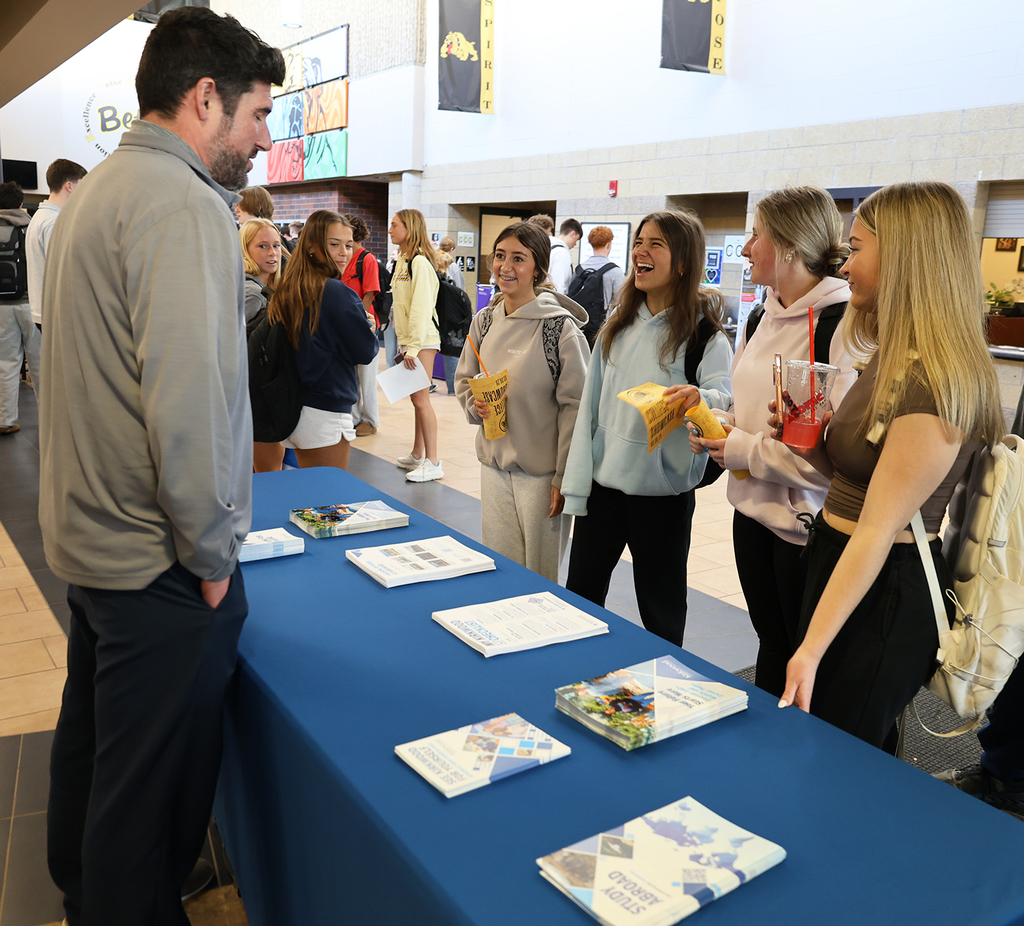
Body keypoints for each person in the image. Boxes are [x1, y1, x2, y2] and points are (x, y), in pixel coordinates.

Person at [38, 9, 284, 925]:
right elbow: (186, 404)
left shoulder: (98, 191)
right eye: (257, 115)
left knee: (95, 749)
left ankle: (80, 889)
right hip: (158, 562)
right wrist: (213, 559)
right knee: (148, 804)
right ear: (205, 97)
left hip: (94, 539)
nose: (263, 139)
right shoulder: (184, 204)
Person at [776, 181, 1004, 753]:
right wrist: (811, 444)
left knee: (836, 758)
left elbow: (879, 529)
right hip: (844, 565)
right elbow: (857, 484)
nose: (845, 264)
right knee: (837, 751)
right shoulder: (893, 355)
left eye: (856, 249)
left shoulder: (933, 382)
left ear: (904, 256)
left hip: (884, 590)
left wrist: (810, 649)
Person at [683, 187, 859, 697]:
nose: (744, 249)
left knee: (801, 659)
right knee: (770, 645)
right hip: (752, 515)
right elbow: (753, 409)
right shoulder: (763, 316)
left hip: (804, 530)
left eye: (754, 235)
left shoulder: (839, 326)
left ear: (786, 244)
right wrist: (718, 422)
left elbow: (830, 460)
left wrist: (739, 448)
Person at [561, 210, 732, 645]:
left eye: (656, 244)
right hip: (604, 492)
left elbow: (724, 400)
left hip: (664, 499)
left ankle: (664, 692)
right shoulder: (615, 328)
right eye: (639, 242)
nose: (641, 251)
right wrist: (575, 487)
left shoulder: (705, 337)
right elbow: (589, 415)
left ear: (682, 261)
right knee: (579, 603)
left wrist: (700, 399)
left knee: (662, 615)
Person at [455, 221, 590, 582]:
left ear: (538, 269)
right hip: (494, 466)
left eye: (519, 258)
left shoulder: (559, 329)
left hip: (542, 477)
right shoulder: (484, 321)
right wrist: (476, 406)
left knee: (540, 579)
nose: (505, 267)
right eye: (500, 256)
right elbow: (465, 380)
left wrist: (564, 477)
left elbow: (575, 407)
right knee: (499, 572)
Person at [265, 210, 379, 471]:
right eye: (334, 244)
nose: (343, 253)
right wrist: (368, 329)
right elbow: (365, 351)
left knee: (310, 496)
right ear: (313, 247)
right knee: (327, 503)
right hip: (325, 408)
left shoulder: (290, 287)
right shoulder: (335, 291)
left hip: (295, 406)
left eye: (348, 245)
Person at [389, 208, 444, 482]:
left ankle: (433, 462)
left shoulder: (420, 263)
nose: (390, 230)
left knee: (422, 400)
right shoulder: (403, 261)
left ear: (409, 228)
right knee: (416, 398)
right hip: (411, 341)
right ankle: (417, 453)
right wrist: (403, 343)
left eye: (394, 225)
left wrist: (412, 348)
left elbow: (421, 308)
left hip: (423, 341)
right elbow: (401, 307)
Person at [26, 158, 88, 332]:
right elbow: (64, 271)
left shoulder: (40, 216)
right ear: (69, 186)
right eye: (81, 185)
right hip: (56, 312)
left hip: (46, 309)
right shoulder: (53, 222)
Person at [0, 180, 37, 435]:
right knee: (41, 364)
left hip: (2, 307)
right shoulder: (33, 226)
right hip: (32, 305)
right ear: (22, 203)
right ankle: (51, 419)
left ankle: (5, 419)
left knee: (6, 362)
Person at [340, 214, 382, 436]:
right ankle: (355, 417)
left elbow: (370, 292)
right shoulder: (344, 258)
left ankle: (371, 420)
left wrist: (361, 319)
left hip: (365, 325)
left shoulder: (367, 259)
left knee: (367, 376)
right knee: (351, 374)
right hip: (346, 325)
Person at [570, 225, 626, 348]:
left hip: (578, 328)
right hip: (602, 330)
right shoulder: (614, 271)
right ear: (609, 244)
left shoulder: (579, 269)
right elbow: (620, 302)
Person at [240, 217, 283, 329]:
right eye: (263, 246)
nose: (272, 253)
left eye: (276, 246)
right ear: (244, 249)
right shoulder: (253, 294)